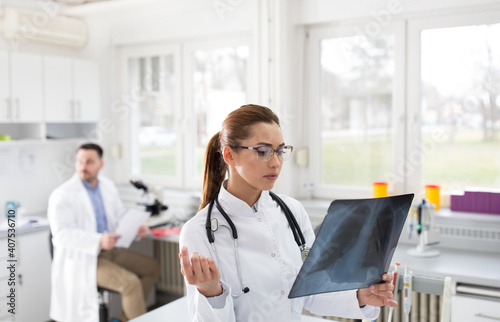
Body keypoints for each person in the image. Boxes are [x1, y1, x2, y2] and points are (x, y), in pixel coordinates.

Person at [179, 104, 396, 321]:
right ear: (229, 155)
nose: (275, 163)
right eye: (263, 151)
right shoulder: (199, 232)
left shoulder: (293, 211)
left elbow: (311, 292)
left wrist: (361, 296)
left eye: (280, 151)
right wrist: (211, 292)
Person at [48, 143, 161, 322]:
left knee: (153, 267)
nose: (83, 167)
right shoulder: (62, 195)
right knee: (131, 284)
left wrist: (136, 228)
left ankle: (124, 318)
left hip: (110, 251)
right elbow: (62, 234)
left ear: (101, 164)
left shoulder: (107, 186)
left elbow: (119, 216)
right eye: (80, 161)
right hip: (84, 258)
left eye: (89, 162)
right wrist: (99, 240)